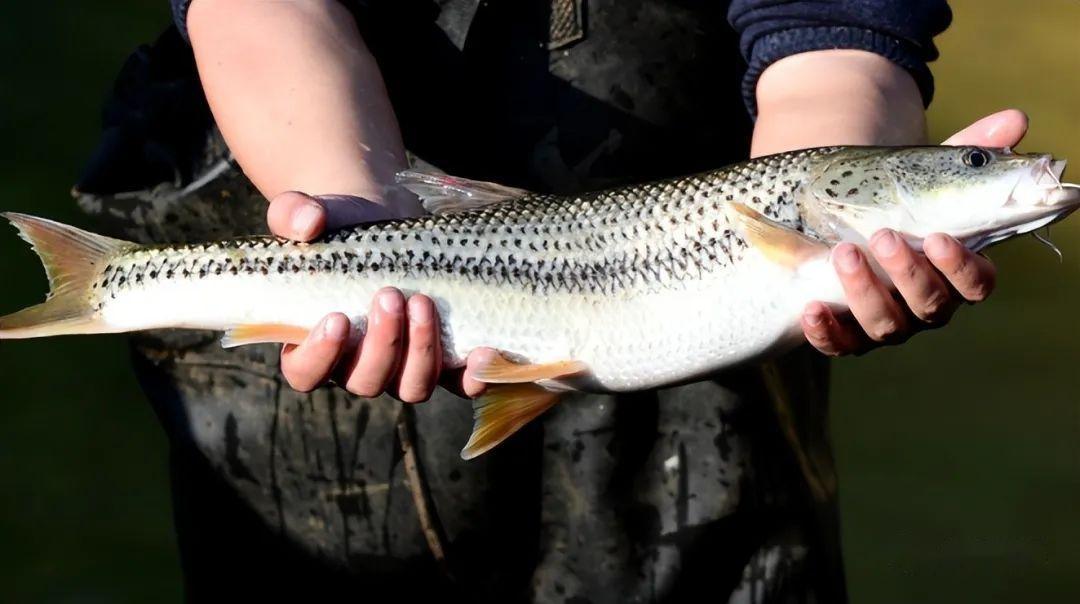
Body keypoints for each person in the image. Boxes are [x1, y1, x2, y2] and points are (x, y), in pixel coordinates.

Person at [75, 0, 1018, 601]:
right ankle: (108, 283)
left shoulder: (821, 216)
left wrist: (853, 153)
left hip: (706, 395)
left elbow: (838, 29)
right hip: (307, 169)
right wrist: (346, 207)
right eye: (970, 168)